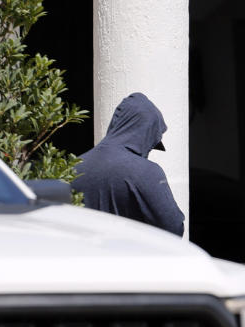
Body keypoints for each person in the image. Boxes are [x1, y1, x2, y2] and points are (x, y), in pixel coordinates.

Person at [72, 92, 185, 236]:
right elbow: (174, 229)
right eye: (151, 143)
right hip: (129, 256)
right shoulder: (146, 172)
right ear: (146, 134)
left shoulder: (74, 167)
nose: (149, 150)